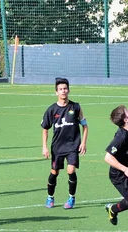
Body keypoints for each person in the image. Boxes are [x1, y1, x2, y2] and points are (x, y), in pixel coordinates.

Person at [41, 77, 88, 209]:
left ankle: (71, 197)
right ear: (56, 92)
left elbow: (85, 126)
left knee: (71, 170)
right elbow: (45, 129)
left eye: (65, 88)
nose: (63, 91)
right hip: (57, 146)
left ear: (69, 90)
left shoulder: (76, 107)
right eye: (60, 89)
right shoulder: (51, 110)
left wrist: (83, 143)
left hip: (73, 145)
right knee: (54, 172)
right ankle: (50, 197)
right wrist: (44, 147)